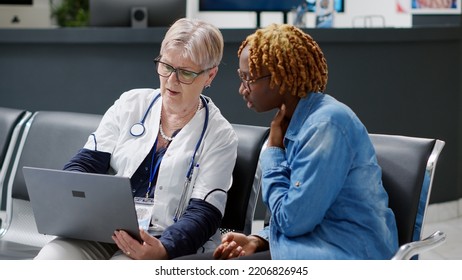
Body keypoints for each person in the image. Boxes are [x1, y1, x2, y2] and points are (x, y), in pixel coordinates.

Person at [34, 18, 238, 260]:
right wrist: (75, 207)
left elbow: (205, 213)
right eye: (166, 66)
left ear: (210, 75)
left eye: (185, 73)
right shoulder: (131, 104)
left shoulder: (220, 135)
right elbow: (84, 164)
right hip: (104, 231)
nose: (171, 81)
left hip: (162, 241)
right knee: (50, 260)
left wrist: (164, 249)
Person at [213, 23, 399, 260]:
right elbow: (302, 215)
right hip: (311, 244)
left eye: (249, 78)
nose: (242, 89)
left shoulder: (325, 125)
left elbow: (293, 222)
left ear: (279, 78)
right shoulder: (293, 121)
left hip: (347, 253)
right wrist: (258, 240)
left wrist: (273, 152)